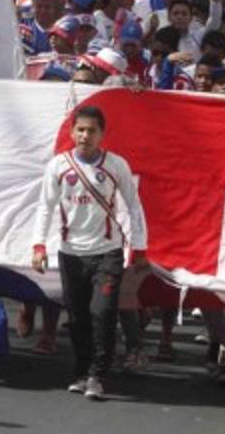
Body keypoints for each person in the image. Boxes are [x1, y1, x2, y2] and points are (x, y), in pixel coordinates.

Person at [32, 105, 148, 400]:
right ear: (72, 132)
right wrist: (38, 245)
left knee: (102, 312)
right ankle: (81, 371)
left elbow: (133, 205)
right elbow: (44, 207)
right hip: (70, 253)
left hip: (107, 253)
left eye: (92, 130)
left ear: (102, 134)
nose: (85, 135)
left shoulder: (116, 165)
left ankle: (98, 374)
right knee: (78, 316)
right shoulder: (59, 166)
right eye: (80, 130)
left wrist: (140, 247)